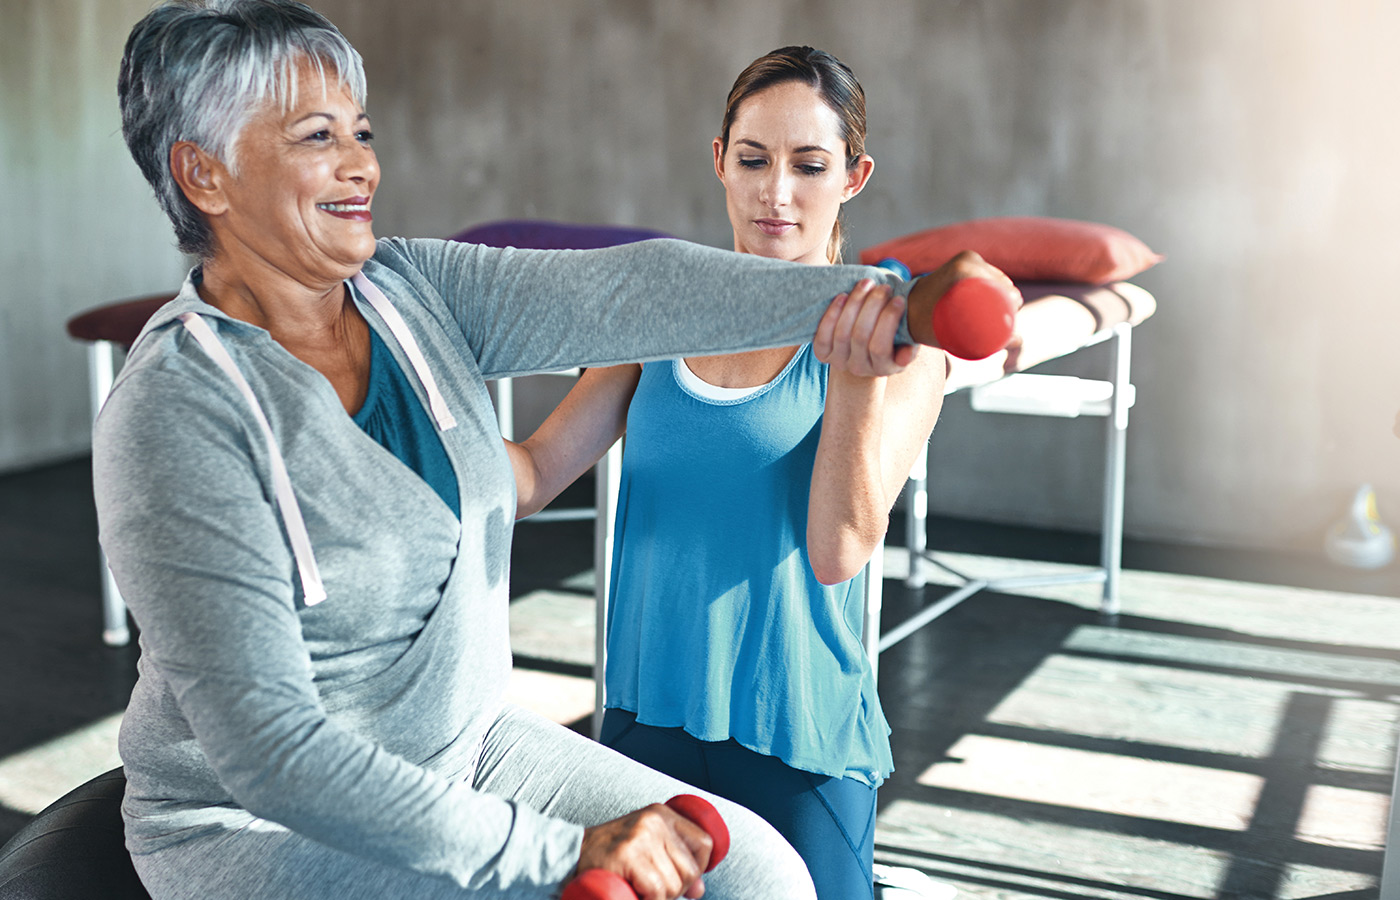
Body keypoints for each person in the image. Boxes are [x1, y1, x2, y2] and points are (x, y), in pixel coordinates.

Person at [97, 3, 1013, 900]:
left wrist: (895, 302)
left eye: (361, 132)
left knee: (759, 874)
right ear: (205, 176)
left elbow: (631, 290)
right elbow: (271, 753)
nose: (361, 167)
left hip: (469, 742)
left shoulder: (408, 288)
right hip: (263, 821)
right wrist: (550, 855)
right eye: (315, 139)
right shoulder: (176, 411)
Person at [506, 48, 957, 899]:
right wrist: (378, 445)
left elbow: (838, 551)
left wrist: (855, 378)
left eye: (808, 166)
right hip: (645, 730)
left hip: (798, 741)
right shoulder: (660, 316)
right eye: (752, 160)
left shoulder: (906, 350)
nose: (774, 193)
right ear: (719, 160)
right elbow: (530, 473)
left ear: (854, 176)